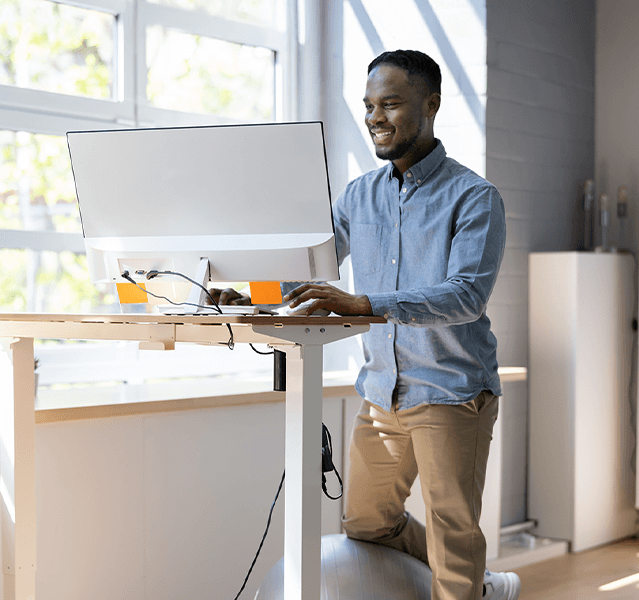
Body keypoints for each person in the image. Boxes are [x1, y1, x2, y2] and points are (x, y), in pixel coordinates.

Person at [212, 49, 519, 600]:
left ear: (431, 105)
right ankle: (483, 582)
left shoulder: (475, 197)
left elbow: (467, 295)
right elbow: (307, 272)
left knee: (454, 529)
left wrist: (366, 303)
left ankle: (466, 578)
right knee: (366, 525)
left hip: (451, 390)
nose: (375, 116)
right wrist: (248, 291)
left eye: (391, 103)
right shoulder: (359, 195)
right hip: (382, 393)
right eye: (369, 105)